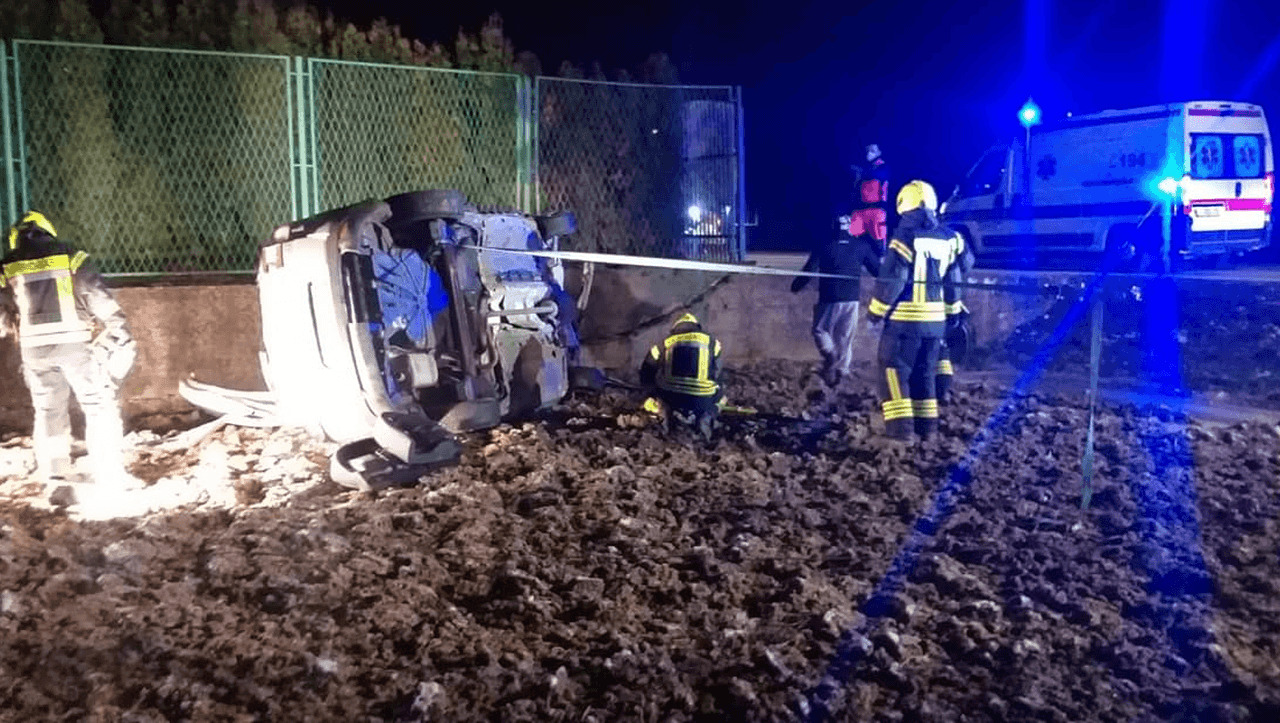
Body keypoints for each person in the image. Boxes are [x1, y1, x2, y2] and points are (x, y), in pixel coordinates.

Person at [0, 211, 139, 497]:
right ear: (47, 230)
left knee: (48, 410)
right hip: (74, 344)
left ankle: (55, 476)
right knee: (98, 404)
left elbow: (3, 319)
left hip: (34, 350)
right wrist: (118, 329)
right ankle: (109, 473)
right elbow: (95, 293)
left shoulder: (7, 266)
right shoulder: (71, 256)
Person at [867, 181, 967, 440]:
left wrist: (875, 312)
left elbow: (893, 279)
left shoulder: (904, 238)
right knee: (924, 376)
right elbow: (954, 281)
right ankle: (928, 430)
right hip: (936, 324)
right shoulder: (949, 239)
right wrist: (952, 313)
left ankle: (900, 434)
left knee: (893, 372)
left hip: (904, 323)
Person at [790, 217, 881, 387]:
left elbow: (809, 270)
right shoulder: (860, 246)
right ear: (850, 228)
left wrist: (796, 286)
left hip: (829, 298)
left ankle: (830, 355)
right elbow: (877, 270)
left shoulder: (824, 245)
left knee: (820, 330)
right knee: (845, 338)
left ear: (833, 227)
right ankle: (843, 372)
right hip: (852, 299)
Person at [639, 312, 723, 440]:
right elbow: (718, 371)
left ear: (676, 327)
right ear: (697, 327)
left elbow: (647, 368)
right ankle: (707, 417)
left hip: (671, 396)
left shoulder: (665, 342)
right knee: (720, 397)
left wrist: (649, 392)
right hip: (701, 399)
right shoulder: (712, 342)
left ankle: (663, 416)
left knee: (658, 394)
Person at [937, 229, 975, 405]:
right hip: (952, 304)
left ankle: (935, 391)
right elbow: (967, 264)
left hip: (929, 304)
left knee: (934, 349)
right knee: (942, 348)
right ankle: (943, 392)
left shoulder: (914, 237)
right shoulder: (956, 238)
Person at [849, 143, 890, 253]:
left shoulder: (883, 167)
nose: (868, 153)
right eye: (867, 150)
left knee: (878, 242)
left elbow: (880, 175)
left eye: (872, 151)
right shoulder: (861, 167)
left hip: (876, 209)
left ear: (879, 153)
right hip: (859, 210)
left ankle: (881, 260)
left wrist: (859, 172)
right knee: (854, 240)